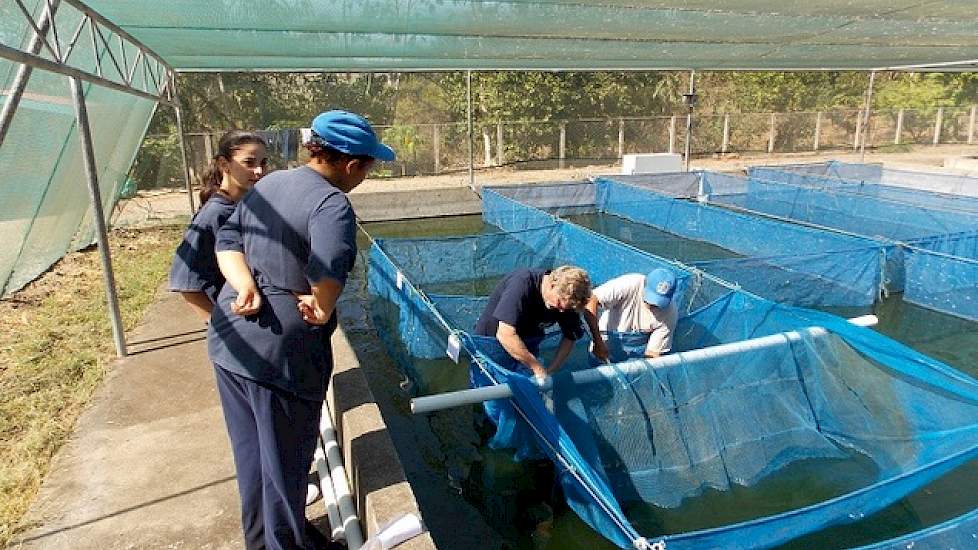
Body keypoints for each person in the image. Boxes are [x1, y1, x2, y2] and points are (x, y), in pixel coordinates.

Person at [208, 110, 394, 550]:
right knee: (287, 464)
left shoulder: (270, 184)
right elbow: (327, 271)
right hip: (281, 357)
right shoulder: (332, 204)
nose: (366, 175)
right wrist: (323, 305)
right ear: (351, 164)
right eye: (369, 165)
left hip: (230, 341)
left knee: (253, 458)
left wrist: (245, 284)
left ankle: (264, 540)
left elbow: (227, 240)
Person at [168, 131, 269, 321]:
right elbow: (187, 283)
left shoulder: (249, 206)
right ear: (224, 164)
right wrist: (220, 328)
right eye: (249, 163)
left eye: (263, 163)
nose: (259, 171)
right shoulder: (214, 215)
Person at [474, 266, 595, 379]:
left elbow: (570, 337)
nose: (561, 311)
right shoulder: (521, 283)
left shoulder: (567, 302)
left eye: (566, 309)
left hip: (528, 342)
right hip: (492, 341)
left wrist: (550, 371)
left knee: (529, 388)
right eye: (558, 304)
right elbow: (505, 334)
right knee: (491, 389)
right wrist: (536, 367)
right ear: (552, 285)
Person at [585, 268, 679, 361]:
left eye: (659, 302)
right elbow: (591, 300)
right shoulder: (629, 284)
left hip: (635, 353)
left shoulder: (670, 313)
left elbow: (653, 354)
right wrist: (598, 341)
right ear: (645, 284)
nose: (653, 304)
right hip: (604, 340)